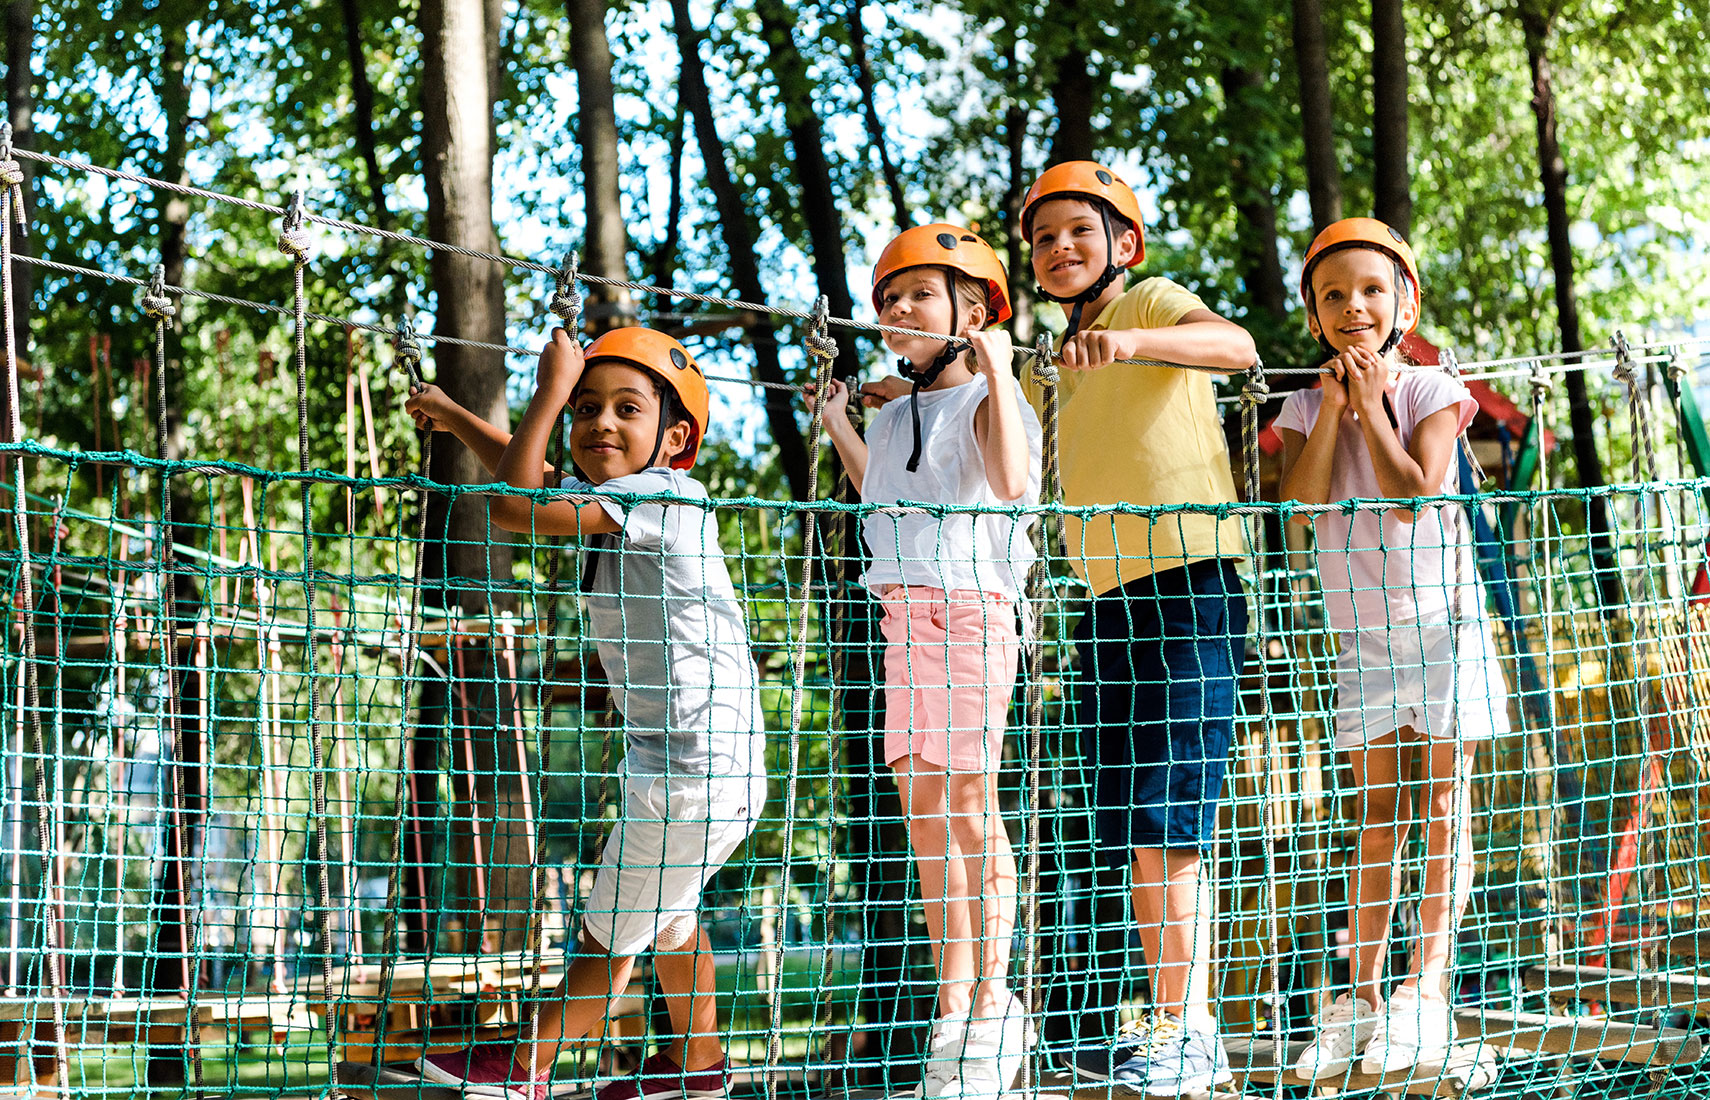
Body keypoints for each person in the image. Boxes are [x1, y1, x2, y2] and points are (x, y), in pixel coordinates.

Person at [399, 327, 766, 1100]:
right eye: (585, 408)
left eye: (624, 409)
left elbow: (514, 505)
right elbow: (526, 473)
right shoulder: (628, 501)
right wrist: (457, 416)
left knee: (610, 927)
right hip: (708, 768)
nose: (599, 422)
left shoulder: (664, 494)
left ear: (673, 439)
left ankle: (524, 1067)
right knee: (665, 919)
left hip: (689, 773)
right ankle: (696, 1070)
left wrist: (551, 390)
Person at [1021, 161, 1254, 1097]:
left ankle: (1190, 1026)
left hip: (1189, 580)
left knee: (1168, 808)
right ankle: (1161, 1018)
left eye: (1081, 230)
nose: (1061, 249)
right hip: (1108, 599)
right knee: (1125, 818)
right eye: (1044, 238)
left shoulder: (1150, 304)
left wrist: (1132, 345)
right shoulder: (1051, 358)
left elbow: (1234, 345)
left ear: (1125, 245)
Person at [1275, 218, 1504, 1077]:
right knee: (1376, 817)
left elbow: (1414, 493)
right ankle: (1360, 998)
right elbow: (1296, 503)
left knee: (1444, 804)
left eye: (1371, 289)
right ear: (1315, 317)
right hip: (1362, 635)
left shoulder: (1433, 388)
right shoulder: (1303, 403)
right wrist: (1335, 407)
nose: (1353, 306)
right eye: (1332, 295)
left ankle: (1425, 990)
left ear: (1403, 301)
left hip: (1443, 625)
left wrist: (1370, 402)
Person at [817, 224, 1041, 1100]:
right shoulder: (890, 411)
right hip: (901, 616)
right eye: (887, 301)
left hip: (973, 613)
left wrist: (999, 370)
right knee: (920, 809)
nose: (897, 311)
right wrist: (841, 421)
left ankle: (994, 999)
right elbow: (886, 492)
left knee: (969, 804)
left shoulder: (993, 398)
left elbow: (1014, 481)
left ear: (973, 310)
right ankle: (952, 1006)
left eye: (918, 296)